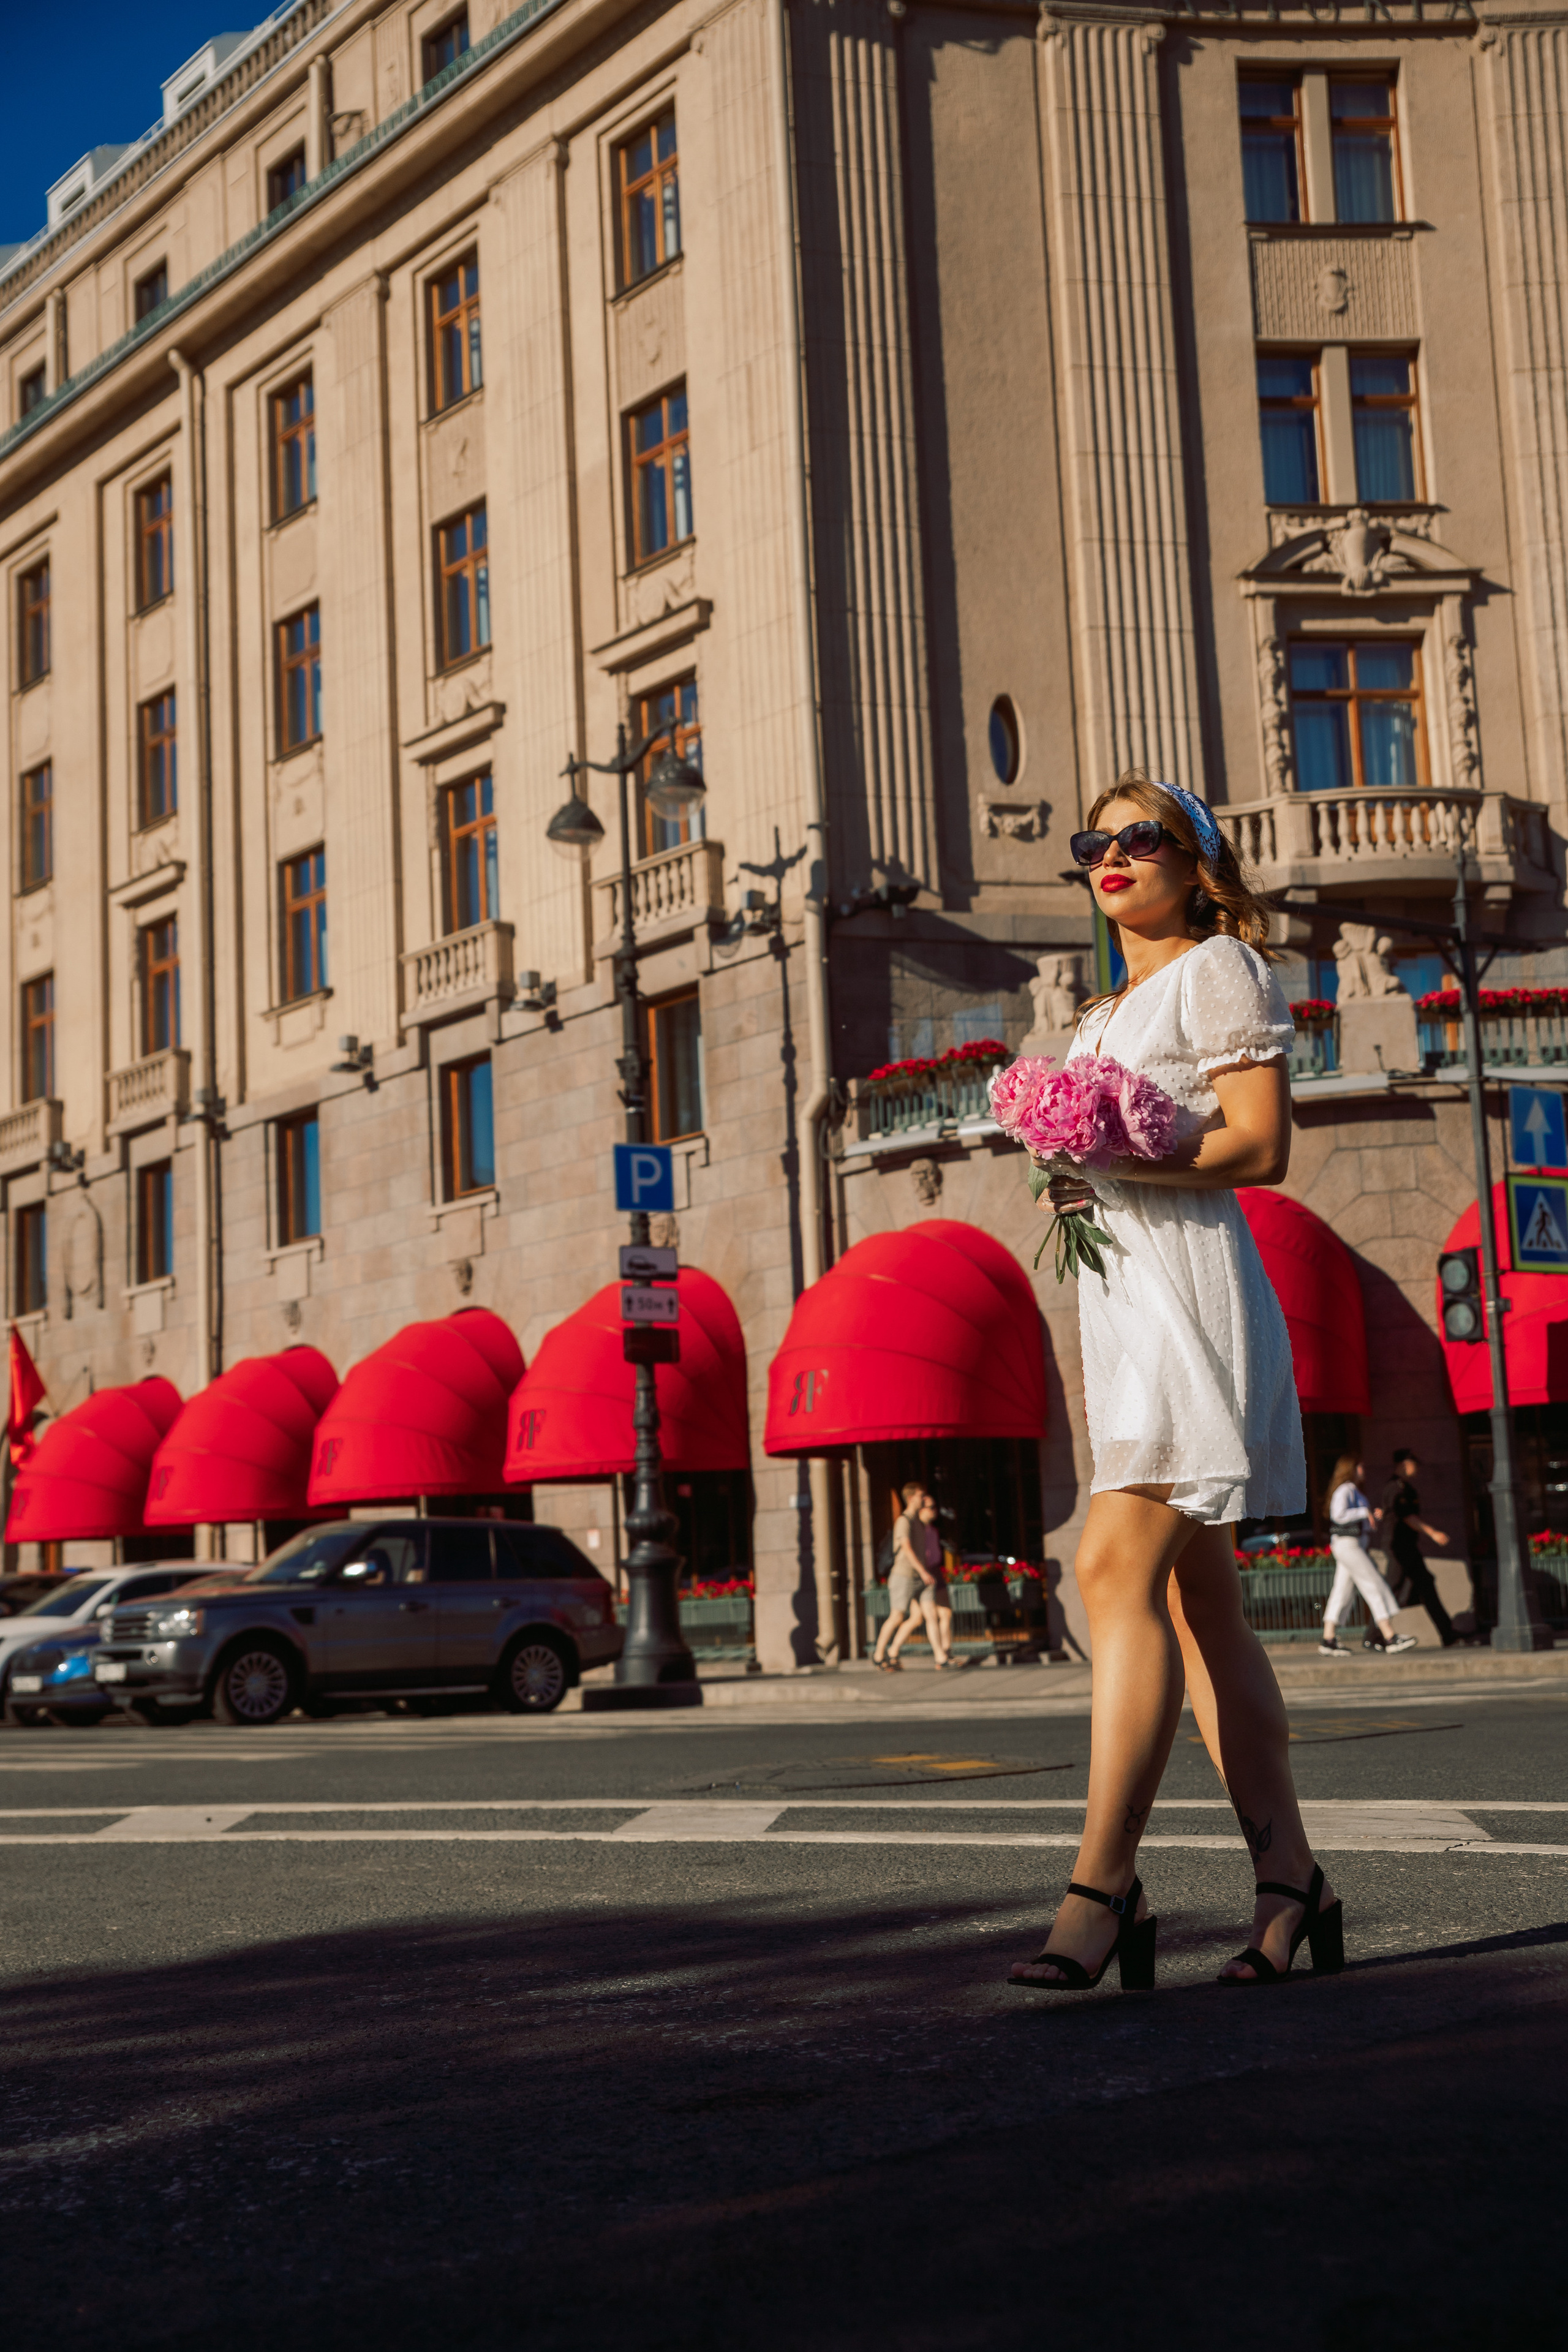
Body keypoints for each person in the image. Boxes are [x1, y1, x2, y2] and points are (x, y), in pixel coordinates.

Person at [1008, 770, 1343, 1994]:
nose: (1106, 858)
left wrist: (1112, 1155)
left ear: (1190, 859)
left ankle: (1101, 1889)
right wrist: (1069, 1168)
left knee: (1105, 1567)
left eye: (1133, 838)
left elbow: (1259, 1143)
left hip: (1190, 1297)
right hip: (1121, 1302)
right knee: (1204, 1613)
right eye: (1087, 843)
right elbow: (1114, 1145)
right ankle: (1288, 1881)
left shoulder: (1217, 968)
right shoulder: (1103, 1009)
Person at [1320, 1453, 1415, 1656]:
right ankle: (1390, 1637)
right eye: (1360, 1466)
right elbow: (1338, 1515)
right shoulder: (1345, 1489)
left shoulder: (1353, 1490)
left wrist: (1372, 1515)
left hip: (1352, 1546)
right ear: (1351, 1468)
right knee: (1374, 1585)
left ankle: (1328, 1639)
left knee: (1342, 1591)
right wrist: (1364, 1513)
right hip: (1349, 1546)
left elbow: (1355, 1516)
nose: (1364, 1470)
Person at [1377, 1450, 1458, 1648]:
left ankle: (1448, 1634)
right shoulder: (1394, 1488)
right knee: (1391, 1590)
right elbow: (1408, 1517)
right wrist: (1433, 1533)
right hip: (1398, 1549)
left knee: (1426, 1585)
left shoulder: (1406, 1488)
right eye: (1414, 1463)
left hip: (1408, 1547)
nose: (1417, 1468)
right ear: (1404, 1464)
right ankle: (1373, 1636)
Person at [873, 1483, 934, 1672]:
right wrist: (923, 1571)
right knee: (897, 1616)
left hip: (916, 1576)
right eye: (921, 1495)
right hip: (904, 1576)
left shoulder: (917, 1522)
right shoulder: (904, 1521)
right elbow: (906, 1549)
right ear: (911, 1498)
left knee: (917, 1618)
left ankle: (893, 1651)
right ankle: (878, 1655)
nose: (924, 1499)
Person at [903, 1491, 959, 1670]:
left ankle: (945, 1652)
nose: (935, 1511)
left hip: (935, 1571)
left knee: (945, 1613)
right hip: (922, 1573)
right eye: (931, 1507)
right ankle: (939, 1656)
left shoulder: (933, 1530)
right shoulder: (915, 1529)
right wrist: (921, 1572)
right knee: (920, 1617)